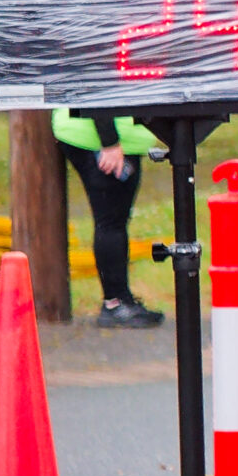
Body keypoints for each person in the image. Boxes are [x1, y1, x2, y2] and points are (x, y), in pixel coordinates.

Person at [52, 108, 164, 328]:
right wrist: (110, 141)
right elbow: (95, 85)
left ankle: (120, 300)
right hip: (103, 140)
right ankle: (116, 303)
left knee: (114, 222)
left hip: (108, 138)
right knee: (111, 222)